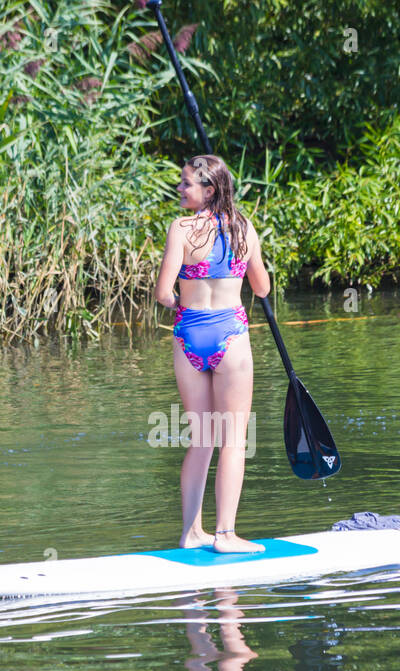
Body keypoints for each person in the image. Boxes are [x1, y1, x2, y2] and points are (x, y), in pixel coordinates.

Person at [154, 155, 271, 553]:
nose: (180, 189)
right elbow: (262, 289)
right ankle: (225, 535)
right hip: (230, 336)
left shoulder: (180, 229)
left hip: (188, 337)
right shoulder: (244, 229)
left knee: (201, 438)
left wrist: (181, 302)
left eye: (186, 184)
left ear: (209, 190)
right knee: (233, 441)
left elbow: (163, 294)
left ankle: (191, 531)